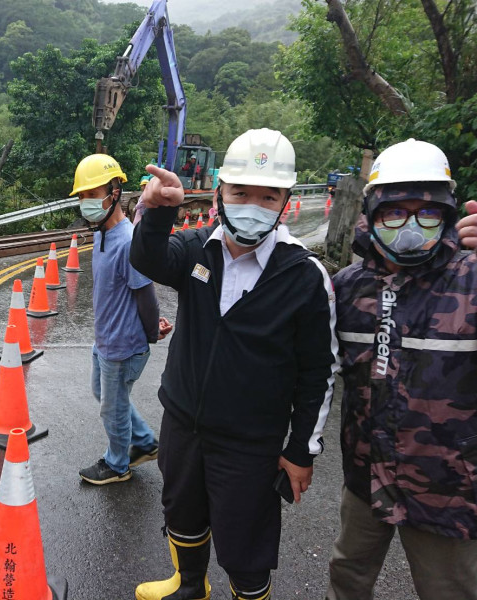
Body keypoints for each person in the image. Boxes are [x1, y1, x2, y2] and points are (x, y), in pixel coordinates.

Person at [129, 128, 339, 600]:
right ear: (220, 191)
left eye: (268, 196)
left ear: (286, 199)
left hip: (251, 442)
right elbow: (147, 259)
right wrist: (160, 211)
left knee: (246, 542)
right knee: (180, 512)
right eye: (240, 192)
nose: (253, 204)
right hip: (184, 423)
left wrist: (302, 449)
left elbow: (318, 373)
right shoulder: (199, 247)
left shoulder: (305, 276)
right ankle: (189, 584)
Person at [326, 139, 477, 600]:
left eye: (426, 213)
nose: (410, 225)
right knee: (346, 576)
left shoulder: (472, 280)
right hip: (364, 477)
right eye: (395, 212)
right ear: (371, 213)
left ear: (448, 214)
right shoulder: (347, 289)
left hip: (448, 487)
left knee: (449, 590)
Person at [71, 153, 173, 486]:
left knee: (112, 408)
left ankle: (118, 465)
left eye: (92, 194)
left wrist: (151, 332)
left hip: (123, 346)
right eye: (82, 196)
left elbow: (146, 294)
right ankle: (143, 442)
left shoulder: (128, 242)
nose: (86, 203)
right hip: (106, 338)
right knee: (104, 394)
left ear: (114, 192)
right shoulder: (102, 233)